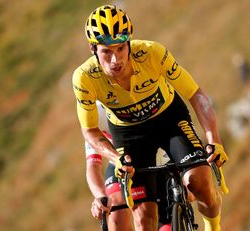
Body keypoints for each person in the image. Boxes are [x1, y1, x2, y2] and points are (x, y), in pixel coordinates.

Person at [72, 5, 228, 231]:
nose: (115, 60)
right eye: (106, 51)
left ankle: (213, 227)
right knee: (144, 220)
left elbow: (195, 94)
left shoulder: (152, 53)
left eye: (121, 49)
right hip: (129, 134)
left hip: (168, 120)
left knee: (199, 181)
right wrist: (115, 158)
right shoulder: (84, 78)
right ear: (92, 49)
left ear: (129, 43)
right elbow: (90, 131)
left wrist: (214, 139)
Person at [86, 102, 171, 230]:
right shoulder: (96, 112)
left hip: (161, 159)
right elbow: (92, 165)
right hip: (123, 165)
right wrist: (100, 195)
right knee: (116, 217)